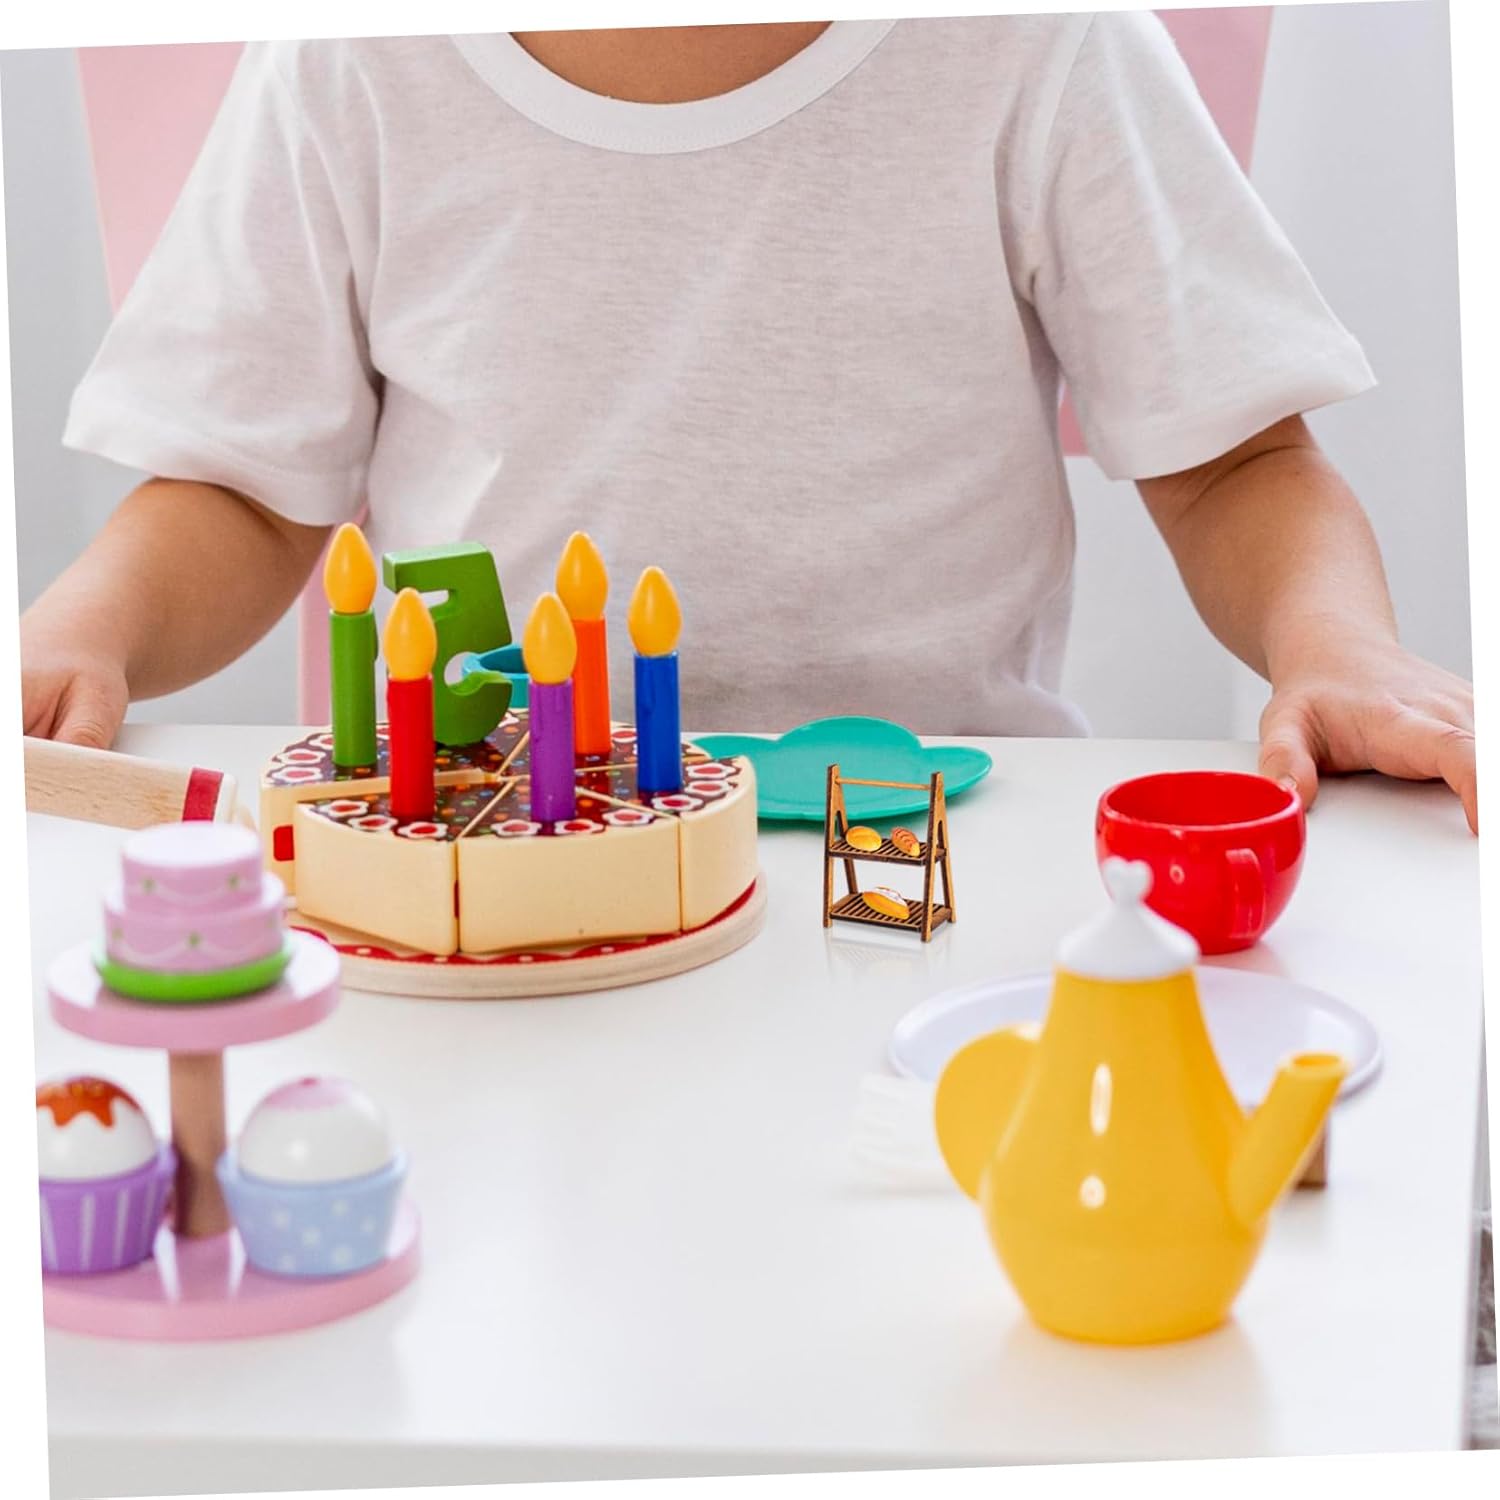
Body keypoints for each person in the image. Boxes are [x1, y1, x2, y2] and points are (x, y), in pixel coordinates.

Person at [19, 16, 1477, 830]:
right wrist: (80, 636)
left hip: (919, 830)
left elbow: (1235, 462)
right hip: (506, 853)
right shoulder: (349, 56)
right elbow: (244, 490)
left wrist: (1335, 645)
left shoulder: (1042, 37)